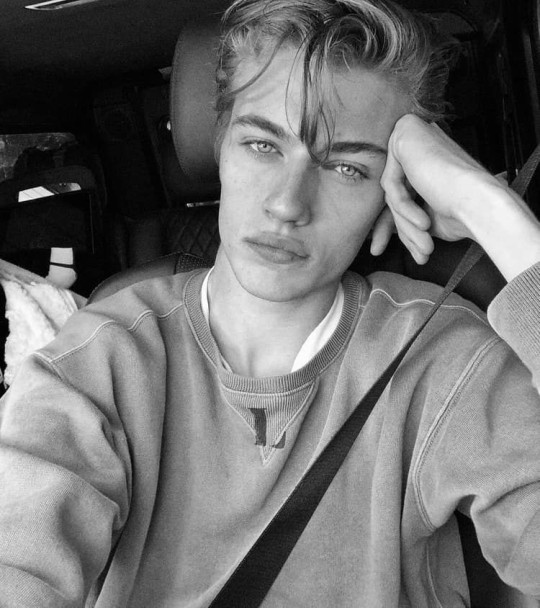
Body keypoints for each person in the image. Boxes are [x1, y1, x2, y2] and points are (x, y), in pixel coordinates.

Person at [1, 0, 540, 606]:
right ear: (219, 143)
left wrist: (494, 215)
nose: (288, 204)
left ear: (398, 186)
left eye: (346, 167)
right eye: (262, 145)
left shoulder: (445, 360)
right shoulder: (96, 362)